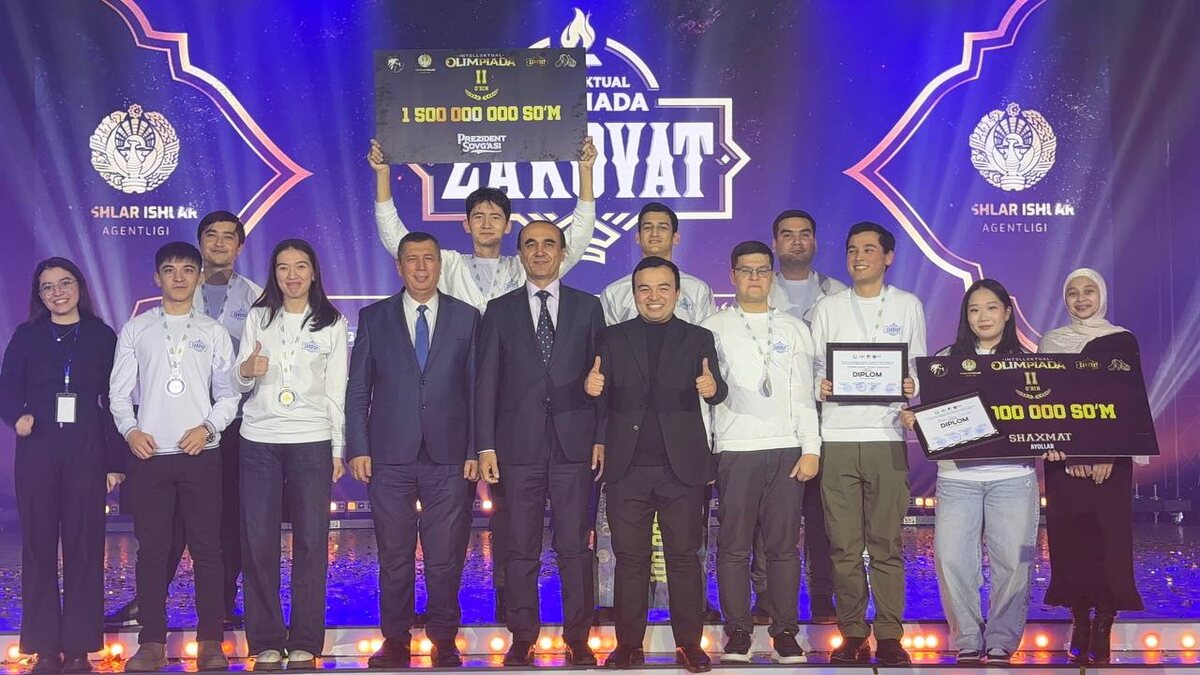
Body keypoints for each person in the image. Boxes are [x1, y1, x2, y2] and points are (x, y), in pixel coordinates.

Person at [369, 137, 597, 618]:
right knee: (482, 527)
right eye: (479, 216)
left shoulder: (525, 265)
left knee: (514, 522)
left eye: (496, 216)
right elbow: (396, 239)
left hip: (510, 408)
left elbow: (575, 238)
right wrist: (383, 177)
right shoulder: (447, 263)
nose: (488, 223)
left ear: (508, 226)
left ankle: (509, 607)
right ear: (466, 223)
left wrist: (585, 173)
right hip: (450, 405)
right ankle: (476, 614)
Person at [106, 211, 262, 628]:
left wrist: (213, 422)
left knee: (223, 523)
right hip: (163, 430)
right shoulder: (162, 306)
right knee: (161, 530)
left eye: (229, 236)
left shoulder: (257, 298)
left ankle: (221, 605)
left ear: (240, 246)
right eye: (211, 235)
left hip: (228, 424)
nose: (219, 243)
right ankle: (149, 605)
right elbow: (122, 390)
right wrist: (131, 428)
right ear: (199, 242)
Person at [346, 232, 481, 669]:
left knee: (445, 557)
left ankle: (444, 639)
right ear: (399, 266)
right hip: (389, 456)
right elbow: (358, 388)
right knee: (394, 556)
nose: (421, 267)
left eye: (429, 259)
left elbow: (477, 391)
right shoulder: (374, 318)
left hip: (450, 457)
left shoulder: (467, 317)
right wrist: (358, 447)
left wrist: (476, 449)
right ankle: (395, 640)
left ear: (440, 265)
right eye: (412, 259)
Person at [474, 220, 605, 667]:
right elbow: (485, 383)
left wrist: (601, 437)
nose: (540, 251)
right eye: (531, 244)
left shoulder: (589, 307)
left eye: (549, 244)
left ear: (563, 252)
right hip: (516, 449)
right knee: (520, 548)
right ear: (521, 254)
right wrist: (485, 446)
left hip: (574, 447)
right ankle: (522, 636)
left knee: (575, 548)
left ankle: (579, 637)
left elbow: (603, 378)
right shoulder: (499, 310)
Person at [587, 257, 726, 673]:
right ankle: (628, 645)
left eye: (663, 287)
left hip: (681, 468)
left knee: (684, 558)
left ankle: (690, 644)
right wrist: (590, 388)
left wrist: (712, 387)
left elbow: (718, 391)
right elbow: (598, 398)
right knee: (631, 560)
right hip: (626, 467)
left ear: (677, 293)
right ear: (634, 294)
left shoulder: (699, 337)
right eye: (644, 288)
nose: (654, 296)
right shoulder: (611, 337)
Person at [899, 279, 1037, 665]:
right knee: (950, 560)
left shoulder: (1029, 362)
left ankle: (1002, 640)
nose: (983, 316)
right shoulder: (946, 361)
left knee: (1013, 563)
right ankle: (967, 639)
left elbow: (1043, 415)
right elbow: (936, 416)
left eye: (991, 308)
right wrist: (917, 420)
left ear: (1007, 313)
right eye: (974, 309)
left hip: (1013, 476)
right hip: (958, 478)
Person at [0, 258, 125, 674]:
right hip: (38, 445)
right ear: (39, 295)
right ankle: (44, 648)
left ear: (79, 287)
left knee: (84, 546)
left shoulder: (101, 335)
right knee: (38, 546)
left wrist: (114, 462)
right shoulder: (27, 335)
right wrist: (15, 417)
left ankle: (78, 648)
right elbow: (6, 386)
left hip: (87, 445)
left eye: (65, 283)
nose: (58, 292)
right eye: (48, 286)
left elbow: (116, 400)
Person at [810, 221, 925, 666]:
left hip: (886, 436)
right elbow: (815, 367)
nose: (859, 257)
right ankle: (853, 633)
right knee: (843, 546)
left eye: (869, 249)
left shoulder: (907, 305)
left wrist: (911, 385)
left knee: (886, 543)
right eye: (852, 249)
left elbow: (917, 367)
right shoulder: (828, 307)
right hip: (838, 436)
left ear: (888, 257)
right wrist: (820, 385)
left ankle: (890, 635)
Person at [700, 241, 819, 664]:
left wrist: (811, 447)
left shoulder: (794, 328)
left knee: (783, 549)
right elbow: (703, 399)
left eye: (762, 270)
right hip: (734, 449)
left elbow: (803, 393)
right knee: (733, 548)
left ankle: (785, 632)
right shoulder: (712, 328)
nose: (754, 277)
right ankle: (737, 632)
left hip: (786, 448)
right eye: (746, 270)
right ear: (732, 276)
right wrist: (707, 452)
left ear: (772, 276)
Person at [233, 239, 347, 667]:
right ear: (274, 274)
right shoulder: (259, 317)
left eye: (301, 266)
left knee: (312, 542)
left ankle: (305, 639)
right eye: (283, 267)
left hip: (311, 439)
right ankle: (265, 637)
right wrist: (247, 371)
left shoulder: (331, 322)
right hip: (259, 438)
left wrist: (337, 447)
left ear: (314, 272)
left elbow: (336, 391)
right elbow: (239, 380)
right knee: (258, 540)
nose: (292, 275)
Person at [1038, 268, 1144, 665]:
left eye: (1088, 291)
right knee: (1072, 542)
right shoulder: (1052, 341)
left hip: (1109, 461)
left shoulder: (1122, 339)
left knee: (1107, 542)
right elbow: (1045, 401)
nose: (1081, 299)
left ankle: (1104, 624)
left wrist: (1106, 453)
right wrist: (1069, 450)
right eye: (1072, 292)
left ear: (1101, 295)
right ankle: (1080, 621)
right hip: (1064, 461)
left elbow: (1128, 401)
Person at [756, 209, 846, 625]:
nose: (796, 241)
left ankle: (823, 594)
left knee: (823, 513)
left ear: (815, 242)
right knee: (769, 517)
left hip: (827, 417)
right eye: (787, 234)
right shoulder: (758, 289)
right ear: (775, 243)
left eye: (804, 234)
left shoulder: (837, 294)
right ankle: (766, 596)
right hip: (772, 420)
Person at [599, 202, 716, 325]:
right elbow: (608, 336)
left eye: (663, 228)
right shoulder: (614, 292)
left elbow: (707, 334)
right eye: (647, 228)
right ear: (638, 237)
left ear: (676, 238)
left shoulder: (698, 289)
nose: (654, 233)